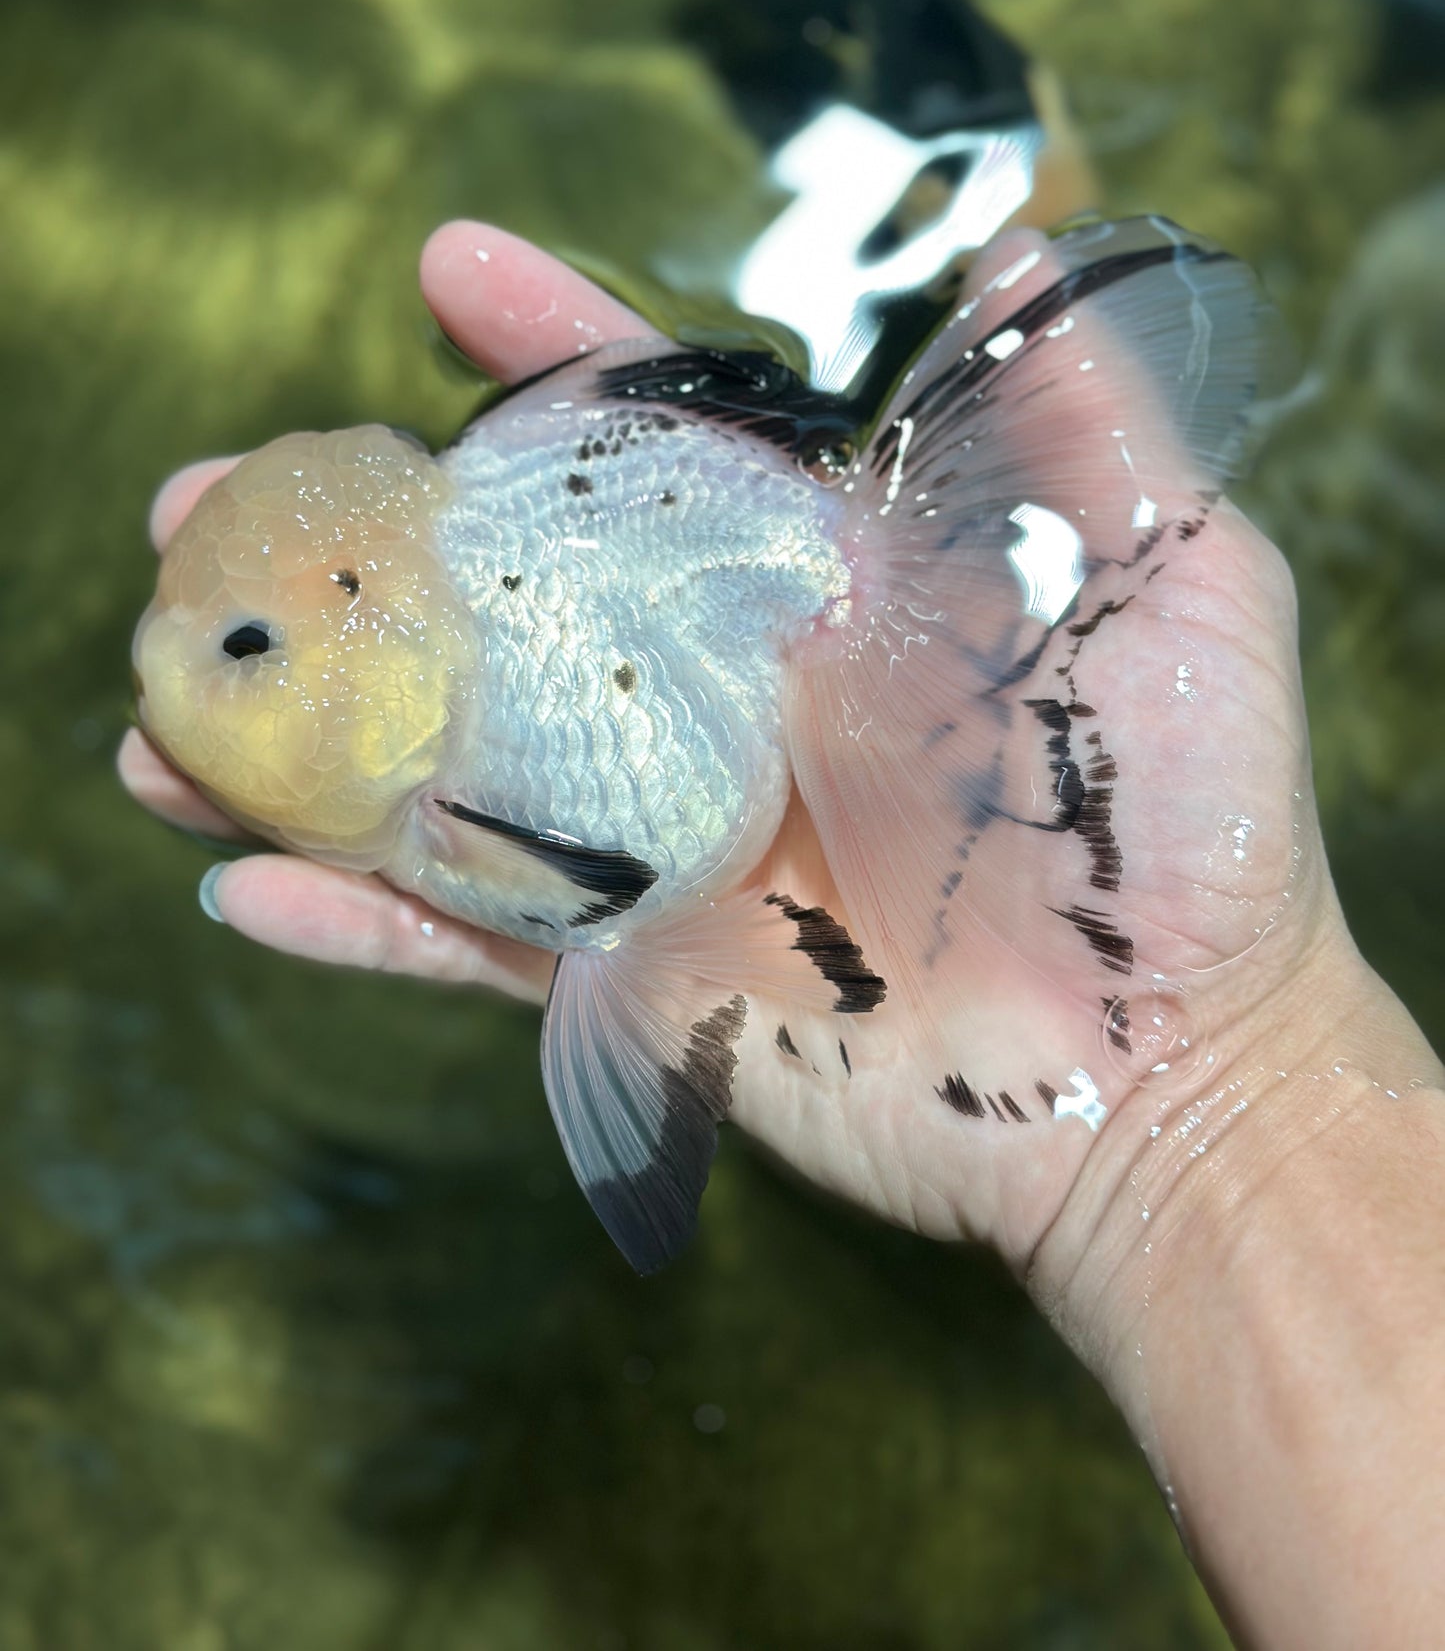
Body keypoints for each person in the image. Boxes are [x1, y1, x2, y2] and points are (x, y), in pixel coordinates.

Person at [119, 219, 1445, 1651]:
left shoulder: (453, 773)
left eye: (246, 647)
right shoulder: (441, 656)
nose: (180, 675)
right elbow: (613, 922)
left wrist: (1189, 1092)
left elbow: (601, 918)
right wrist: (1200, 1111)